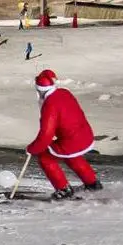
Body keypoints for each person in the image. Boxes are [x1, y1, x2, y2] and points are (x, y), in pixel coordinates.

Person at [27, 69, 101, 200]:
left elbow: (46, 135)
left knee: (45, 157)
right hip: (84, 135)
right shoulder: (64, 92)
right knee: (71, 155)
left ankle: (63, 189)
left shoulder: (49, 106)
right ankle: (92, 184)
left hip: (71, 140)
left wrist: (33, 148)